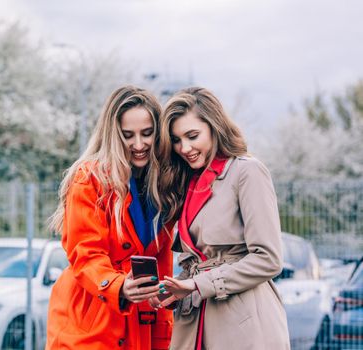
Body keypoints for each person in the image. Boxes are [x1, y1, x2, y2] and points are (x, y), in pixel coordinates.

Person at [152, 87, 290, 349]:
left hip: (244, 321)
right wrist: (174, 288)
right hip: (196, 321)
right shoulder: (189, 183)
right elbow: (199, 262)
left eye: (192, 136)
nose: (185, 148)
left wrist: (197, 284)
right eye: (177, 140)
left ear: (214, 127)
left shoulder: (247, 172)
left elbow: (269, 259)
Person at [45, 86, 174, 349]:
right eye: (128, 135)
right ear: (113, 135)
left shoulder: (163, 185)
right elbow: (85, 252)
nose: (139, 145)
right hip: (90, 321)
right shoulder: (89, 178)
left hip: (142, 323)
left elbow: (162, 265)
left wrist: (163, 326)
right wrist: (117, 286)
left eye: (147, 133)